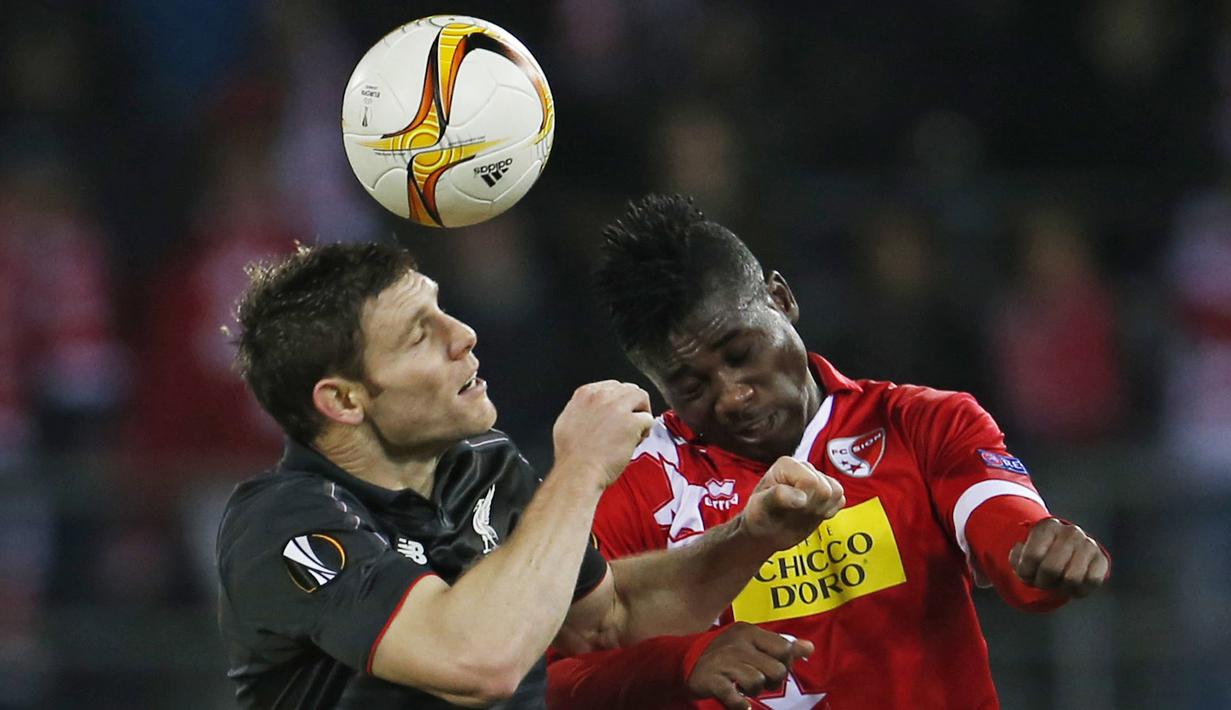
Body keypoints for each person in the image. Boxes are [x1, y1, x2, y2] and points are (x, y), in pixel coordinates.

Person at [215, 242, 847, 709]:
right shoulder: (284, 522)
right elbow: (476, 661)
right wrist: (580, 469)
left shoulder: (482, 467)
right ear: (345, 401)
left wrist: (753, 535)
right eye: (418, 337)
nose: (462, 335)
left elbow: (608, 618)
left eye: (443, 312)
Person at [546, 194, 1111, 709]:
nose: (734, 397)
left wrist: (1043, 551)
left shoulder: (921, 423)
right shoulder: (634, 487)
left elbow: (1008, 535)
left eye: (741, 353)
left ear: (781, 298)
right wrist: (679, 663)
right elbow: (551, 683)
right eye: (692, 387)